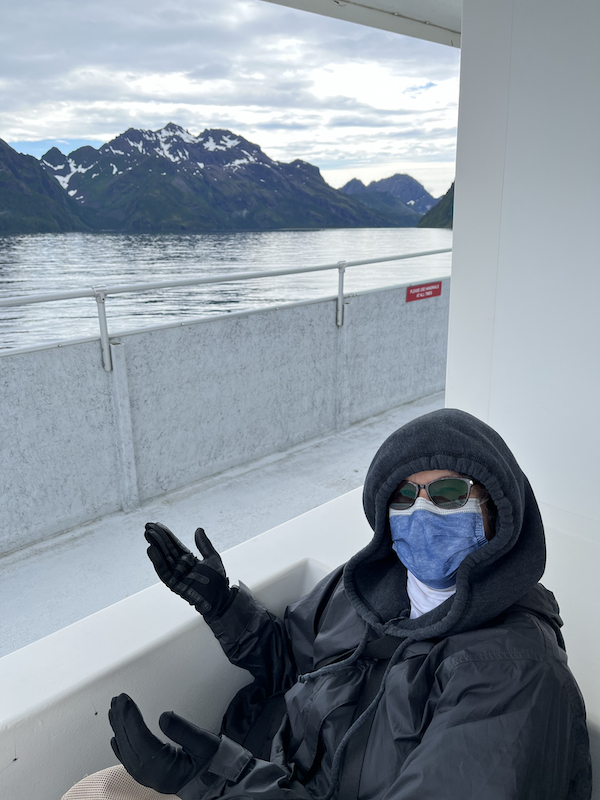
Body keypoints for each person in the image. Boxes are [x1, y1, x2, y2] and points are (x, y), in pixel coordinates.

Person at [64, 408, 592, 800]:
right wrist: (224, 606)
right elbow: (298, 665)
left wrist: (211, 779)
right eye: (403, 498)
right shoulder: (368, 587)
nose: (422, 513)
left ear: (497, 513)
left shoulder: (515, 673)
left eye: (451, 495)